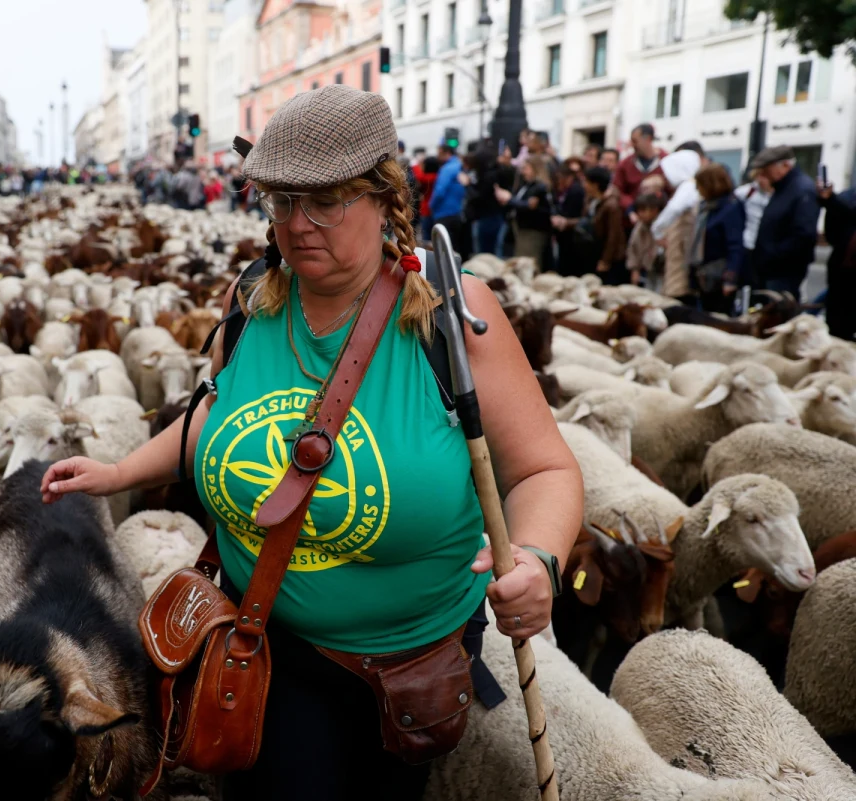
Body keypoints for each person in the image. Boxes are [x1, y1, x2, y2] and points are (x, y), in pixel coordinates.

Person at [37, 84, 581, 801]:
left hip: (410, 665)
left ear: (386, 198)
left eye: (325, 201)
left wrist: (540, 559)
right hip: (268, 649)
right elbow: (213, 415)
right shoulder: (253, 301)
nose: (298, 224)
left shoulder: (453, 314)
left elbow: (545, 468)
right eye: (281, 200)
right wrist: (118, 471)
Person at [749, 146, 820, 301]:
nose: (763, 175)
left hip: (783, 270)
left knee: (780, 310)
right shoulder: (784, 188)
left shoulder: (801, 190)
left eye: (767, 170)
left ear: (785, 166)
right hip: (772, 268)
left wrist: (773, 254)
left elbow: (804, 234)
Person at [688, 164, 745, 314]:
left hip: (719, 277)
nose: (697, 190)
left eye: (699, 185)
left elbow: (735, 246)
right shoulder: (707, 207)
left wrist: (730, 279)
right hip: (704, 276)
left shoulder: (730, 208)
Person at [650, 149, 702, 303]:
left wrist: (657, 230)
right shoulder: (691, 187)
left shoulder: (688, 187)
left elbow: (673, 209)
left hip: (681, 245)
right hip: (683, 244)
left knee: (678, 284)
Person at [495, 154, 552, 263]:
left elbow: (530, 205)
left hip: (533, 232)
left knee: (527, 262)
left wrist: (509, 200)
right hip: (521, 229)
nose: (523, 172)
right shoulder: (526, 185)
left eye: (526, 169)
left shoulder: (539, 187)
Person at [819, 178, 856, 340]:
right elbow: (831, 234)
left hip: (843, 271)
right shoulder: (846, 197)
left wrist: (832, 201)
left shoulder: (841, 200)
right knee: (837, 328)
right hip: (842, 273)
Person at [583, 166, 627, 284]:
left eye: (586, 182)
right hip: (595, 250)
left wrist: (605, 260)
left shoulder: (611, 206)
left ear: (595, 184)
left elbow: (613, 235)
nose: (584, 185)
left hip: (610, 257)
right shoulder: (592, 200)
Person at [612, 124, 667, 213]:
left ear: (648, 139)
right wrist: (630, 208)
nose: (632, 145)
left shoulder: (666, 161)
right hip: (632, 216)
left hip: (660, 216)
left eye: (635, 141)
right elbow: (618, 190)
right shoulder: (625, 164)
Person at [734, 170, 772, 292]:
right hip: (748, 243)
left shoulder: (777, 194)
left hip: (766, 246)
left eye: (765, 177)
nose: (762, 180)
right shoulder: (745, 192)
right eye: (759, 176)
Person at [550, 164, 587, 276]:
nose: (559, 182)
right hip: (563, 234)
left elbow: (575, 213)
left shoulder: (576, 191)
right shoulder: (563, 191)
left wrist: (563, 220)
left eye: (560, 178)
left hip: (572, 235)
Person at [626, 193, 666, 290]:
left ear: (655, 210)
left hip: (664, 270)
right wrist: (635, 269)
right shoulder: (640, 228)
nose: (640, 214)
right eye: (639, 210)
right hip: (648, 270)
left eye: (644, 210)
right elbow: (633, 248)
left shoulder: (664, 225)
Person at [429, 143, 466, 247]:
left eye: (440, 153)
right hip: (457, 212)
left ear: (447, 153)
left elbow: (439, 191)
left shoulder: (447, 169)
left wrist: (432, 205)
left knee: (442, 248)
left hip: (444, 213)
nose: (438, 157)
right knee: (454, 247)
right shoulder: (459, 165)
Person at [413, 155, 439, 242]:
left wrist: (415, 164)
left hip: (427, 210)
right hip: (433, 210)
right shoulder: (438, 175)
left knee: (427, 236)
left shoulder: (432, 177)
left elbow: (420, 176)